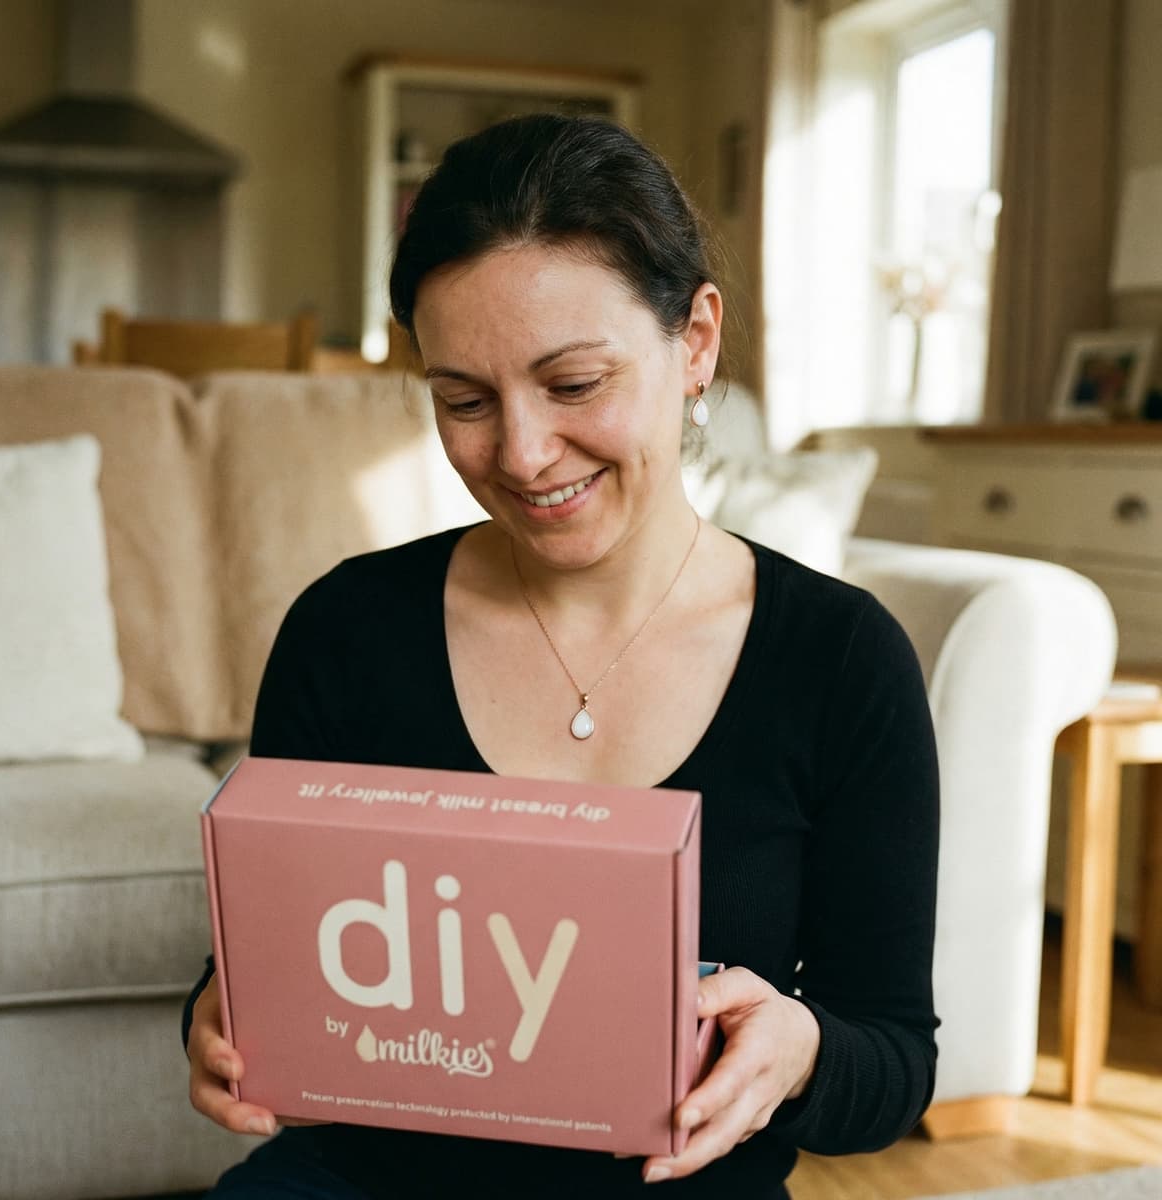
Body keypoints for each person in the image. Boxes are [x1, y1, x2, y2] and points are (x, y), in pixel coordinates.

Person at [184, 113, 939, 1198]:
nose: (524, 455)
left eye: (575, 384)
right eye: (464, 402)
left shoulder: (842, 661)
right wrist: (216, 1015)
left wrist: (803, 1049)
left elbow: (895, 1057)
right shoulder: (346, 631)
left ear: (696, 342)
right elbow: (269, 967)